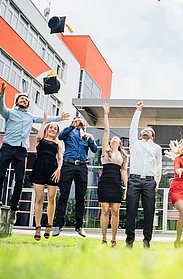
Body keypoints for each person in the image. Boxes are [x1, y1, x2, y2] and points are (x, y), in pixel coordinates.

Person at [0, 82, 69, 224]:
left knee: (20, 180)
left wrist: (59, 118)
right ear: (17, 101)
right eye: (22, 98)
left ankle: (14, 208)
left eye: (26, 99)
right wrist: (2, 93)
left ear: (28, 104)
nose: (24, 100)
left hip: (21, 150)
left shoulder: (30, 117)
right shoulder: (9, 113)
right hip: (7, 147)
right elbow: (1, 108)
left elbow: (45, 119)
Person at [52, 116, 98, 237]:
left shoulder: (87, 136)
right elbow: (60, 137)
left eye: (81, 121)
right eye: (77, 120)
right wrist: (72, 126)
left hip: (82, 167)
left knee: (80, 197)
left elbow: (94, 150)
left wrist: (90, 140)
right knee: (63, 195)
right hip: (68, 165)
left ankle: (79, 226)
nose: (80, 122)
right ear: (74, 121)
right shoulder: (68, 132)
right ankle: (58, 225)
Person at [125, 101, 162, 249]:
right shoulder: (135, 143)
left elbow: (158, 167)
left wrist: (157, 182)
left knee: (149, 211)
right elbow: (133, 127)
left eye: (149, 130)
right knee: (131, 210)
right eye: (143, 130)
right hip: (134, 180)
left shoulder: (157, 148)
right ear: (140, 134)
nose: (145, 131)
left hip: (149, 182)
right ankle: (129, 241)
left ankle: (147, 240)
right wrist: (138, 110)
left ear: (153, 135)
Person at [29, 112, 63, 240]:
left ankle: (49, 225)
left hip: (52, 170)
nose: (53, 129)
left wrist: (59, 169)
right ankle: (37, 227)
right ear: (47, 129)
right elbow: (38, 135)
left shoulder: (58, 143)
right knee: (38, 199)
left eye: (55, 128)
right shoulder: (40, 139)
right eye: (51, 127)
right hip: (39, 169)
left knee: (51, 199)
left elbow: (60, 158)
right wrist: (44, 122)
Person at [98, 103, 128, 247]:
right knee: (104, 210)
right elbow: (106, 131)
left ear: (120, 143)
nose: (114, 139)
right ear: (110, 142)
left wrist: (126, 187)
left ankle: (114, 239)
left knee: (115, 211)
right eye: (112, 138)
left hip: (116, 182)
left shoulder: (122, 156)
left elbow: (123, 171)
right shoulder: (105, 151)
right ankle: (104, 238)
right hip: (105, 181)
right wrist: (105, 114)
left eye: (117, 139)